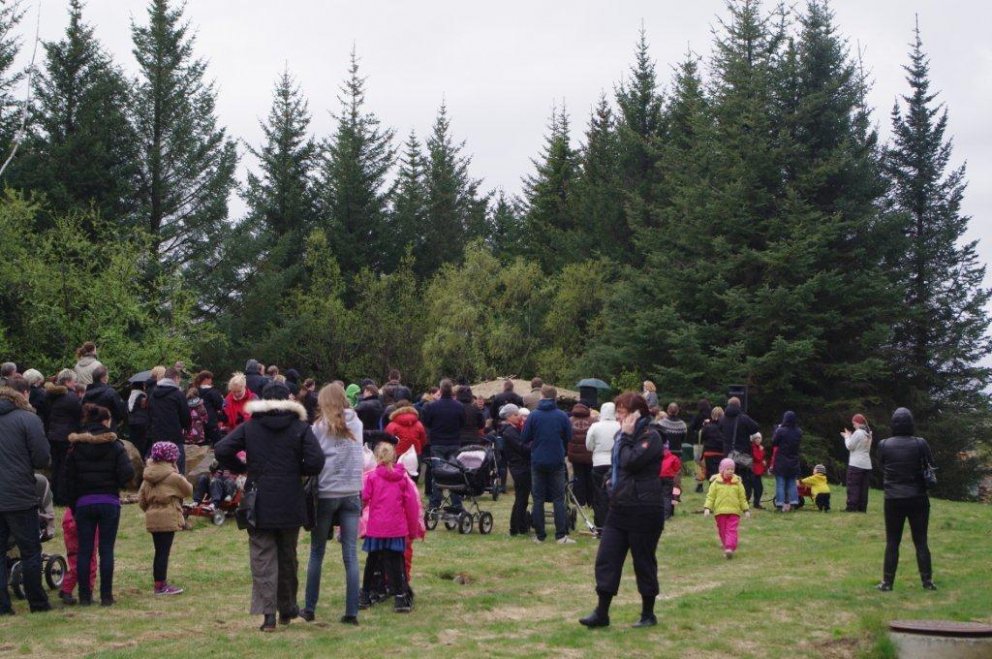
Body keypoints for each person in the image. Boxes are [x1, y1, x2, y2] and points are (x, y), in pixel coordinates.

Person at [215, 382, 325, 631]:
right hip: (291, 500)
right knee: (288, 556)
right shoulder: (300, 427)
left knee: (263, 557)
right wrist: (299, 470)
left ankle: (268, 616)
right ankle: (286, 609)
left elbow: (222, 449)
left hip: (259, 499)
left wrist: (243, 468)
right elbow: (317, 461)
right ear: (287, 399)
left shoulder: (251, 427)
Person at [579, 392, 664, 628]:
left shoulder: (652, 436)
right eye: (617, 411)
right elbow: (617, 465)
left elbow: (631, 461)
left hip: (644, 508)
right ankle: (601, 613)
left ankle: (648, 614)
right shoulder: (621, 435)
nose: (619, 416)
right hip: (619, 508)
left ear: (638, 414)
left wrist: (626, 437)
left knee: (643, 561)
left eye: (623, 412)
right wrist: (608, 481)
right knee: (607, 558)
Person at [302, 383, 364, 625]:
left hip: (327, 492)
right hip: (352, 491)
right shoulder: (357, 423)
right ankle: (351, 612)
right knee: (350, 553)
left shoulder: (319, 427)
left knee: (317, 551)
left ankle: (309, 608)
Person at [65, 404, 135, 606]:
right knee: (106, 550)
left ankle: (85, 596)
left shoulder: (76, 446)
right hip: (108, 501)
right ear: (106, 421)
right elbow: (127, 473)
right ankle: (106, 596)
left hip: (84, 502)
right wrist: (118, 483)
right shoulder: (115, 445)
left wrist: (74, 503)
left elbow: (68, 478)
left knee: (85, 551)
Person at [0, 380, 52, 614]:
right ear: (24, 394)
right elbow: (42, 458)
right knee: (30, 550)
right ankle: (37, 602)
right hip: (19, 493)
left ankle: (3, 606)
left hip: (12, 490)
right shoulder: (28, 419)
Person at [876, 408, 935, 592]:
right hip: (918, 497)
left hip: (893, 498)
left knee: (892, 542)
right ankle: (927, 582)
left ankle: (887, 583)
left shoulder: (884, 444)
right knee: (921, 541)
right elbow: (930, 464)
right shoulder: (920, 443)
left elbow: (881, 466)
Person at [361, 442, 424, 613]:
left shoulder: (372, 477)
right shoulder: (403, 478)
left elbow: (364, 498)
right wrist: (412, 530)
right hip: (396, 528)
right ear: (394, 457)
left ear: (377, 457)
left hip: (376, 527)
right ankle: (400, 597)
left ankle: (366, 594)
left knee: (372, 560)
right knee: (396, 561)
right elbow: (411, 506)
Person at [139, 441, 193, 596]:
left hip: (153, 516)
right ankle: (161, 586)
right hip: (168, 516)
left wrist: (150, 510)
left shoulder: (147, 476)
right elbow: (188, 490)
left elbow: (141, 499)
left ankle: (159, 583)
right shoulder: (173, 477)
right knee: (164, 552)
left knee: (158, 551)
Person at [523, 385, 574, 544]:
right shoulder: (562, 416)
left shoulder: (533, 416)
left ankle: (540, 535)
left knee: (538, 498)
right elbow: (569, 437)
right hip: (556, 460)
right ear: (555, 397)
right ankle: (561, 535)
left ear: (542, 396)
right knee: (559, 498)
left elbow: (524, 437)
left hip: (538, 460)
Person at [422, 379, 467, 512]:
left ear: (440, 390)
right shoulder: (459, 406)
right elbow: (462, 423)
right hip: (454, 442)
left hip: (437, 443)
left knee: (438, 474)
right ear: (451, 390)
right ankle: (456, 503)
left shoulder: (431, 406)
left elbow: (427, 422)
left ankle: (435, 503)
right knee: (455, 474)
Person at [45, 369, 82, 505]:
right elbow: (80, 415)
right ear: (67, 382)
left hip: (53, 434)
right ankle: (63, 497)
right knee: (65, 468)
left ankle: (54, 495)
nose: (75, 383)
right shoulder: (72, 397)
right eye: (74, 381)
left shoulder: (50, 396)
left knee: (56, 466)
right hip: (66, 436)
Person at [703, 458, 751, 559]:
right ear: (722, 470)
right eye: (728, 469)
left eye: (732, 469)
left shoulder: (738, 483)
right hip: (720, 512)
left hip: (734, 511)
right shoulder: (716, 483)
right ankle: (726, 545)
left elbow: (742, 498)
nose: (730, 471)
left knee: (731, 529)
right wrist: (707, 508)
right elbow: (711, 497)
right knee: (722, 530)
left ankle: (730, 548)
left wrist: (746, 510)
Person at [148, 367, 192, 474]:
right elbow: (185, 416)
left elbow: (150, 413)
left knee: (158, 466)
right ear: (176, 378)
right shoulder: (178, 394)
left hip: (157, 435)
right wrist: (187, 428)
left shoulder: (153, 393)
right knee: (178, 467)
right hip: (174, 435)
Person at [585, 401, 619, 532]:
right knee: (615, 494)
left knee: (599, 495)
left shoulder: (595, 426)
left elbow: (588, 445)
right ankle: (615, 525)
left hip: (599, 462)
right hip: (615, 462)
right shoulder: (619, 425)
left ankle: (600, 526)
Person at [719, 397, 761, 502]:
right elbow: (756, 427)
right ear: (739, 406)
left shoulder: (723, 418)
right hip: (743, 454)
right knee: (745, 478)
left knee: (728, 477)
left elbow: (719, 430)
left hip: (728, 453)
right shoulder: (743, 418)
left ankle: (728, 498)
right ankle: (744, 499)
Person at [499, 404, 531, 536]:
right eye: (516, 415)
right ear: (509, 416)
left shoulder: (513, 429)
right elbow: (522, 448)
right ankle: (515, 527)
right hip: (519, 467)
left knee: (522, 498)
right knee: (521, 497)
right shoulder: (509, 432)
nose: (519, 417)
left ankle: (521, 526)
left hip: (520, 466)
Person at [58, 507, 96, 605]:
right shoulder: (72, 509)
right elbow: (69, 527)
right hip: (75, 546)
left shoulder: (93, 507)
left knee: (92, 569)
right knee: (76, 570)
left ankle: (88, 593)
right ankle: (66, 591)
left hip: (90, 545)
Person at [384, 403, 426, 482]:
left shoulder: (392, 424)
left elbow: (386, 439)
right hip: (415, 451)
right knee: (413, 473)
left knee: (397, 474)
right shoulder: (418, 424)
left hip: (398, 452)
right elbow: (423, 439)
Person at [771, 411, 802, 512]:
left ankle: (779, 505)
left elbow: (774, 442)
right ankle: (793, 503)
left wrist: (777, 430)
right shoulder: (798, 431)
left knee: (780, 483)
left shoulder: (781, 431)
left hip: (781, 460)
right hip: (793, 460)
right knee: (792, 483)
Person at [81, 366, 127, 431]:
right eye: (107, 375)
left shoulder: (86, 394)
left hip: (89, 429)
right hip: (108, 429)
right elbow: (119, 411)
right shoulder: (111, 393)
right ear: (103, 378)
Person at [843, 414, 873, 512]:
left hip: (856, 464)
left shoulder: (858, 432)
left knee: (853, 486)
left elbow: (850, 446)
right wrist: (851, 436)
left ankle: (852, 507)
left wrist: (847, 437)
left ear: (857, 423)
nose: (853, 426)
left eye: (854, 423)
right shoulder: (868, 433)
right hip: (867, 464)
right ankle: (862, 508)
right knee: (864, 488)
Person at [567, 403, 594, 507]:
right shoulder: (593, 420)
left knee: (578, 477)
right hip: (589, 454)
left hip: (575, 454)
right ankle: (590, 501)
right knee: (590, 477)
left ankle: (579, 501)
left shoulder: (570, 420)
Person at [194, 371, 225, 445]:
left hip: (198, 423)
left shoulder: (195, 391)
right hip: (211, 421)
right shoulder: (213, 392)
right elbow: (219, 406)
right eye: (210, 379)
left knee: (201, 446)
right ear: (206, 379)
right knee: (218, 444)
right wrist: (221, 419)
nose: (211, 381)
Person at [700, 407, 726, 485]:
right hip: (721, 452)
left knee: (711, 473)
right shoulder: (724, 426)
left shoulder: (708, 426)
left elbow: (702, 437)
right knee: (721, 472)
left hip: (709, 452)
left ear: (712, 415)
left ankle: (712, 489)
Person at [750, 433, 767, 509]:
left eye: (759, 438)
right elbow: (757, 457)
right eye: (756, 438)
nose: (758, 440)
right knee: (757, 488)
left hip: (758, 471)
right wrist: (761, 450)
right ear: (753, 439)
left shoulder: (758, 447)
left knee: (759, 488)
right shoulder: (753, 447)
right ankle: (756, 503)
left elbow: (761, 458)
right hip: (754, 471)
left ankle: (756, 503)